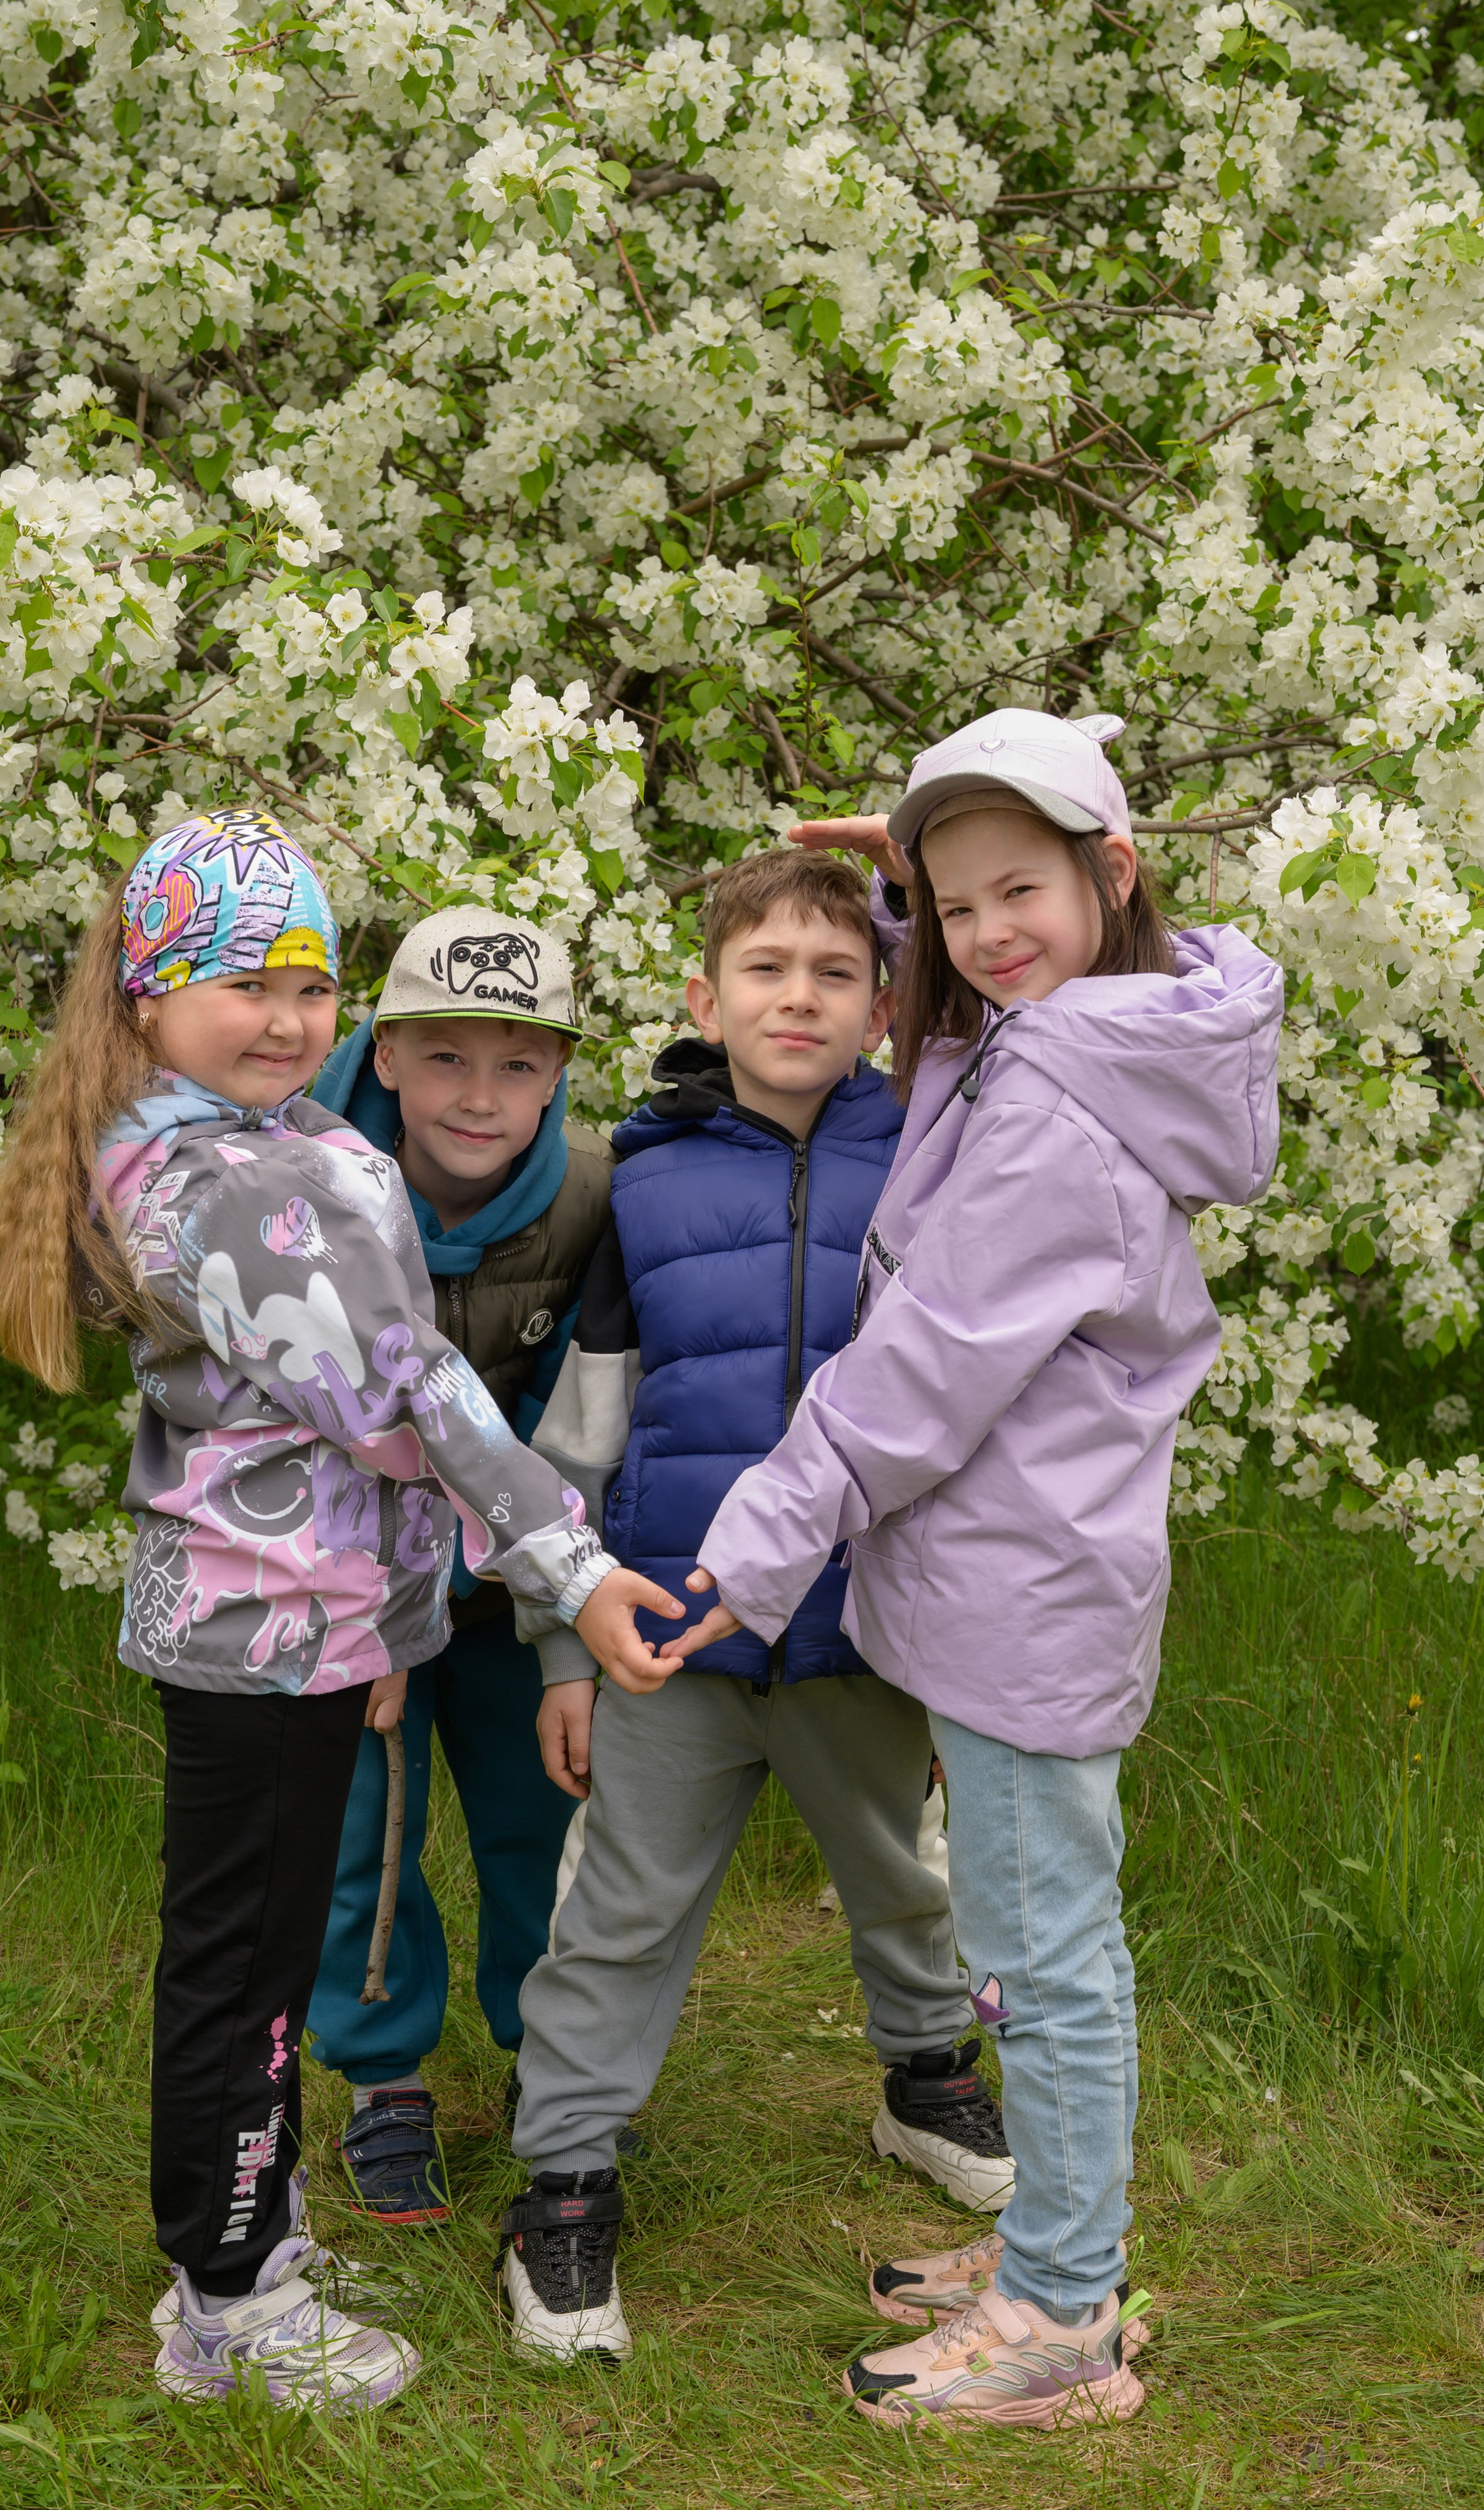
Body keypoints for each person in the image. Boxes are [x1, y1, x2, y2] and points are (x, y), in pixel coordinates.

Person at [0, 808, 680, 2413]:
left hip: (294, 1622)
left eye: (307, 981)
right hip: (260, 1635)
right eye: (241, 982)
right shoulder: (239, 1184)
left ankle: (245, 2253)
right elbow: (402, 1395)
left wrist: (390, 1632)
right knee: (243, 1977)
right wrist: (568, 1563)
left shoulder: (240, 1139)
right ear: (150, 992)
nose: (286, 1017)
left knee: (257, 1961)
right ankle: (228, 2301)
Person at [667, 711, 1283, 2430]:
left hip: (1028, 1592)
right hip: (1022, 1575)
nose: (986, 934)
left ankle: (1065, 2318)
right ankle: (1065, 2251)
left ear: (1117, 872)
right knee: (1036, 1936)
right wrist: (920, 894)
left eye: (1024, 890)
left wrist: (759, 1544)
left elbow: (921, 1362)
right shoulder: (1068, 1046)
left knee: (1044, 1957)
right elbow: (957, 1100)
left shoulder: (1058, 1117)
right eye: (952, 909)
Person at [498, 847, 1011, 2367]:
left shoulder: (935, 1146)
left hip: (871, 1626)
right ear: (701, 996)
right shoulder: (642, 1177)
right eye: (765, 970)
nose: (799, 997)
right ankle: (565, 2185)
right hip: (668, 1631)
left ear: (886, 1002)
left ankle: (923, 2081)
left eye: (838, 972)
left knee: (907, 1880)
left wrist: (910, 896)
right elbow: (578, 1433)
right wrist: (560, 1641)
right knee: (614, 1914)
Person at [303, 909, 614, 2225]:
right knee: (358, 1828)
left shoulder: (593, 1200)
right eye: (443, 1059)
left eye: (517, 1064)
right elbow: (299, 1427)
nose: (478, 1098)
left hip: (509, 1587)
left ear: (555, 1075)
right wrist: (369, 1622)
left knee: (538, 1821)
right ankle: (383, 2079)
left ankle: (555, 2067)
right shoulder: (298, 1191)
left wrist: (560, 1642)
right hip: (342, 1580)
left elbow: (572, 1434)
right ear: (382, 1056)